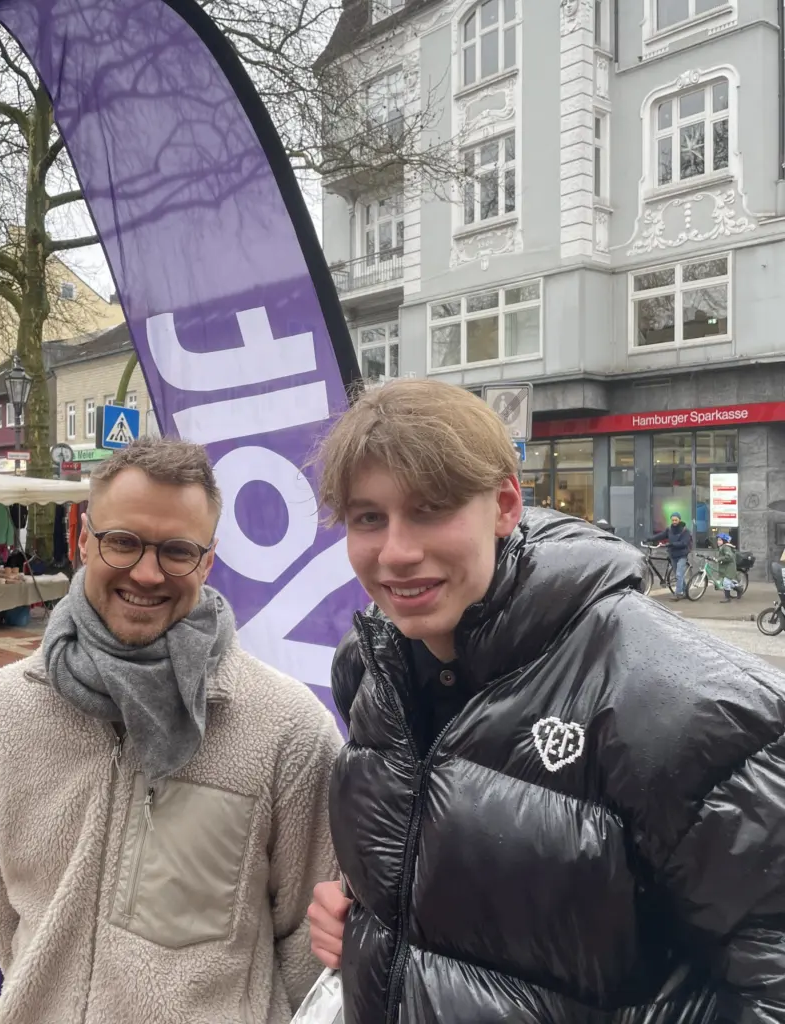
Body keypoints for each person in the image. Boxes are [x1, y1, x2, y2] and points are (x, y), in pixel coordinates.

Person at [306, 379, 785, 1024]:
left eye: (431, 509)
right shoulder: (372, 670)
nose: (396, 552)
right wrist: (375, 929)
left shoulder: (683, 704)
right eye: (369, 518)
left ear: (504, 506)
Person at [0, 437, 341, 1024]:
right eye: (123, 542)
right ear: (82, 539)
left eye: (178, 551)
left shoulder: (287, 730)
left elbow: (309, 931)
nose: (147, 572)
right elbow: (8, 914)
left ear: (208, 561)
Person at [648, 511, 692, 599]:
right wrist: (649, 539)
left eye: (676, 520)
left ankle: (678, 594)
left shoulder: (685, 531)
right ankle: (684, 590)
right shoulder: (669, 529)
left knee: (679, 574)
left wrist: (672, 544)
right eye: (673, 520)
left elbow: (684, 543)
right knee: (678, 575)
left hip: (682, 555)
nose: (674, 522)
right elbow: (661, 535)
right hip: (673, 554)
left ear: (679, 520)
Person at [712, 531, 740, 601]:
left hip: (729, 567)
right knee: (727, 583)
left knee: (726, 582)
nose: (718, 541)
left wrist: (719, 559)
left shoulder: (726, 547)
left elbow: (729, 557)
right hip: (725, 567)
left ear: (724, 541)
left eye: (720, 540)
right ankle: (738, 588)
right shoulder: (722, 547)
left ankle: (727, 598)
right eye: (718, 540)